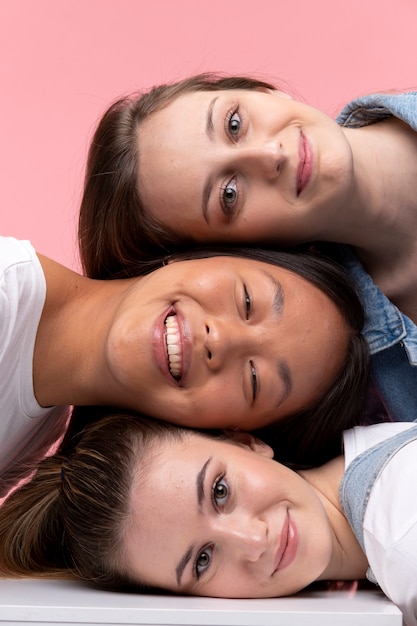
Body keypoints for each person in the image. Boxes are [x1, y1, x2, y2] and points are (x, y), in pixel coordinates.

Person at [78, 73, 417, 421]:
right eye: (229, 195)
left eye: (234, 124)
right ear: (239, 253)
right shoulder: (372, 389)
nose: (270, 155)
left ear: (264, 92)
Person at [0, 235, 368, 496]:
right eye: (246, 301)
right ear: (200, 253)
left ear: (230, 435)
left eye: (255, 378)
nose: (220, 341)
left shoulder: (38, 431)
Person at [0, 411, 415, 626]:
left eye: (219, 491)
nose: (253, 541)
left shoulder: (401, 536)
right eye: (202, 560)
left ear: (246, 442)